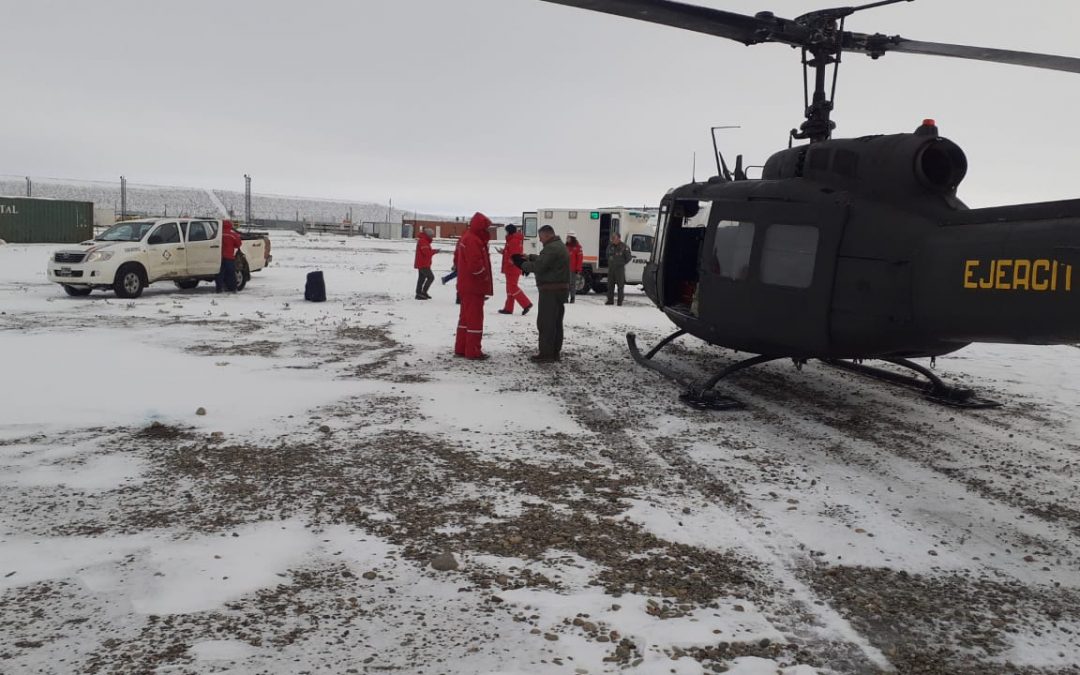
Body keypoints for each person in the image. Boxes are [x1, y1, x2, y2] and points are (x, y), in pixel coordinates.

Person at [513, 225, 570, 363]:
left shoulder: (551, 248)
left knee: (546, 322)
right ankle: (554, 352)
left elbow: (539, 267)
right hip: (559, 290)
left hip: (551, 291)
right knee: (556, 322)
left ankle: (546, 354)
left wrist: (521, 264)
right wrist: (531, 257)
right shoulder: (557, 246)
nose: (540, 240)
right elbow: (546, 261)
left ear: (547, 235)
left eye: (541, 237)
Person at [455, 212, 494, 359]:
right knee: (475, 319)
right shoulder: (473, 240)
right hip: (473, 287)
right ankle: (473, 350)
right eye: (486, 227)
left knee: (465, 318)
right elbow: (475, 265)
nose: (488, 231)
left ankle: (462, 347)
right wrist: (483, 277)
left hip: (466, 285)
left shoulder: (468, 237)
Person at [497, 224, 533, 316]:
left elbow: (514, 256)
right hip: (511, 268)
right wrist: (503, 252)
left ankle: (526, 304)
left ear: (509, 231)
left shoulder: (513, 241)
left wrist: (510, 262)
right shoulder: (512, 240)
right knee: (510, 289)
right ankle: (508, 308)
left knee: (512, 287)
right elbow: (511, 253)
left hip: (512, 268)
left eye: (506, 231)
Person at [215, 220, 243, 293]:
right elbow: (238, 244)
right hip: (229, 257)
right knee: (231, 274)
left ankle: (219, 288)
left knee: (220, 273)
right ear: (230, 226)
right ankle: (233, 288)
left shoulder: (218, 234)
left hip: (219, 257)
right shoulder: (232, 235)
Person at [605, 232, 632, 306]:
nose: (613, 239)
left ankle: (620, 301)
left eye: (614, 238)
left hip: (619, 269)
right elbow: (607, 255)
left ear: (619, 238)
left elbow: (629, 258)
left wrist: (621, 263)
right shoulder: (610, 246)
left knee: (620, 286)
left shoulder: (624, 247)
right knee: (610, 285)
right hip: (611, 269)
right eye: (612, 238)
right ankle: (610, 300)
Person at [414, 227, 440, 300]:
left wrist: (434, 251)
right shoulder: (423, 241)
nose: (432, 237)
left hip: (423, 263)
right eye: (431, 235)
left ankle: (419, 293)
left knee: (421, 278)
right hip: (423, 264)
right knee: (431, 277)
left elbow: (427, 251)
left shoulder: (424, 241)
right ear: (428, 235)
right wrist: (435, 251)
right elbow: (427, 253)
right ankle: (422, 292)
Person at [565, 231, 583, 304]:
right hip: (565, 269)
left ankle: (572, 298)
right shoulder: (565, 246)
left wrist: (578, 269)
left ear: (572, 238)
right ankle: (565, 298)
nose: (566, 239)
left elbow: (580, 259)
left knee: (572, 284)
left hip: (573, 269)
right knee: (566, 284)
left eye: (568, 237)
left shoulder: (578, 247)